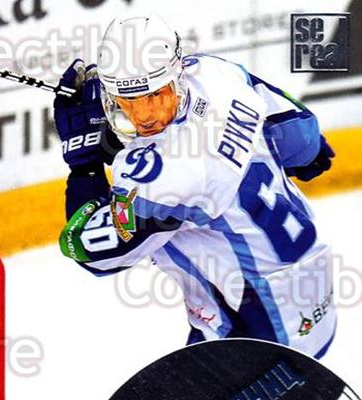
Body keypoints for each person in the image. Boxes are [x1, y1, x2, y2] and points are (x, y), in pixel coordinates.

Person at [54, 14, 336, 358]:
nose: (145, 116)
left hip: (257, 332)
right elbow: (303, 140)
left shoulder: (162, 179)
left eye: (156, 96)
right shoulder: (216, 73)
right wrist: (310, 156)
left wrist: (84, 165)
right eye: (129, 102)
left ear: (176, 76)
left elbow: (93, 252)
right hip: (315, 286)